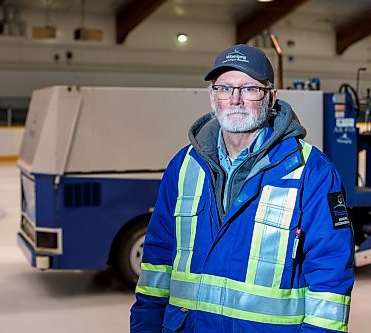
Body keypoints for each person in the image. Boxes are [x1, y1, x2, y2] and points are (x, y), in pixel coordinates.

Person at [130, 44, 354, 333]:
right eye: (224, 88)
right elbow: (157, 262)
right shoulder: (184, 166)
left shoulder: (312, 172)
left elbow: (330, 280)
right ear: (213, 98)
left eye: (249, 89)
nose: (235, 99)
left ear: (271, 98)